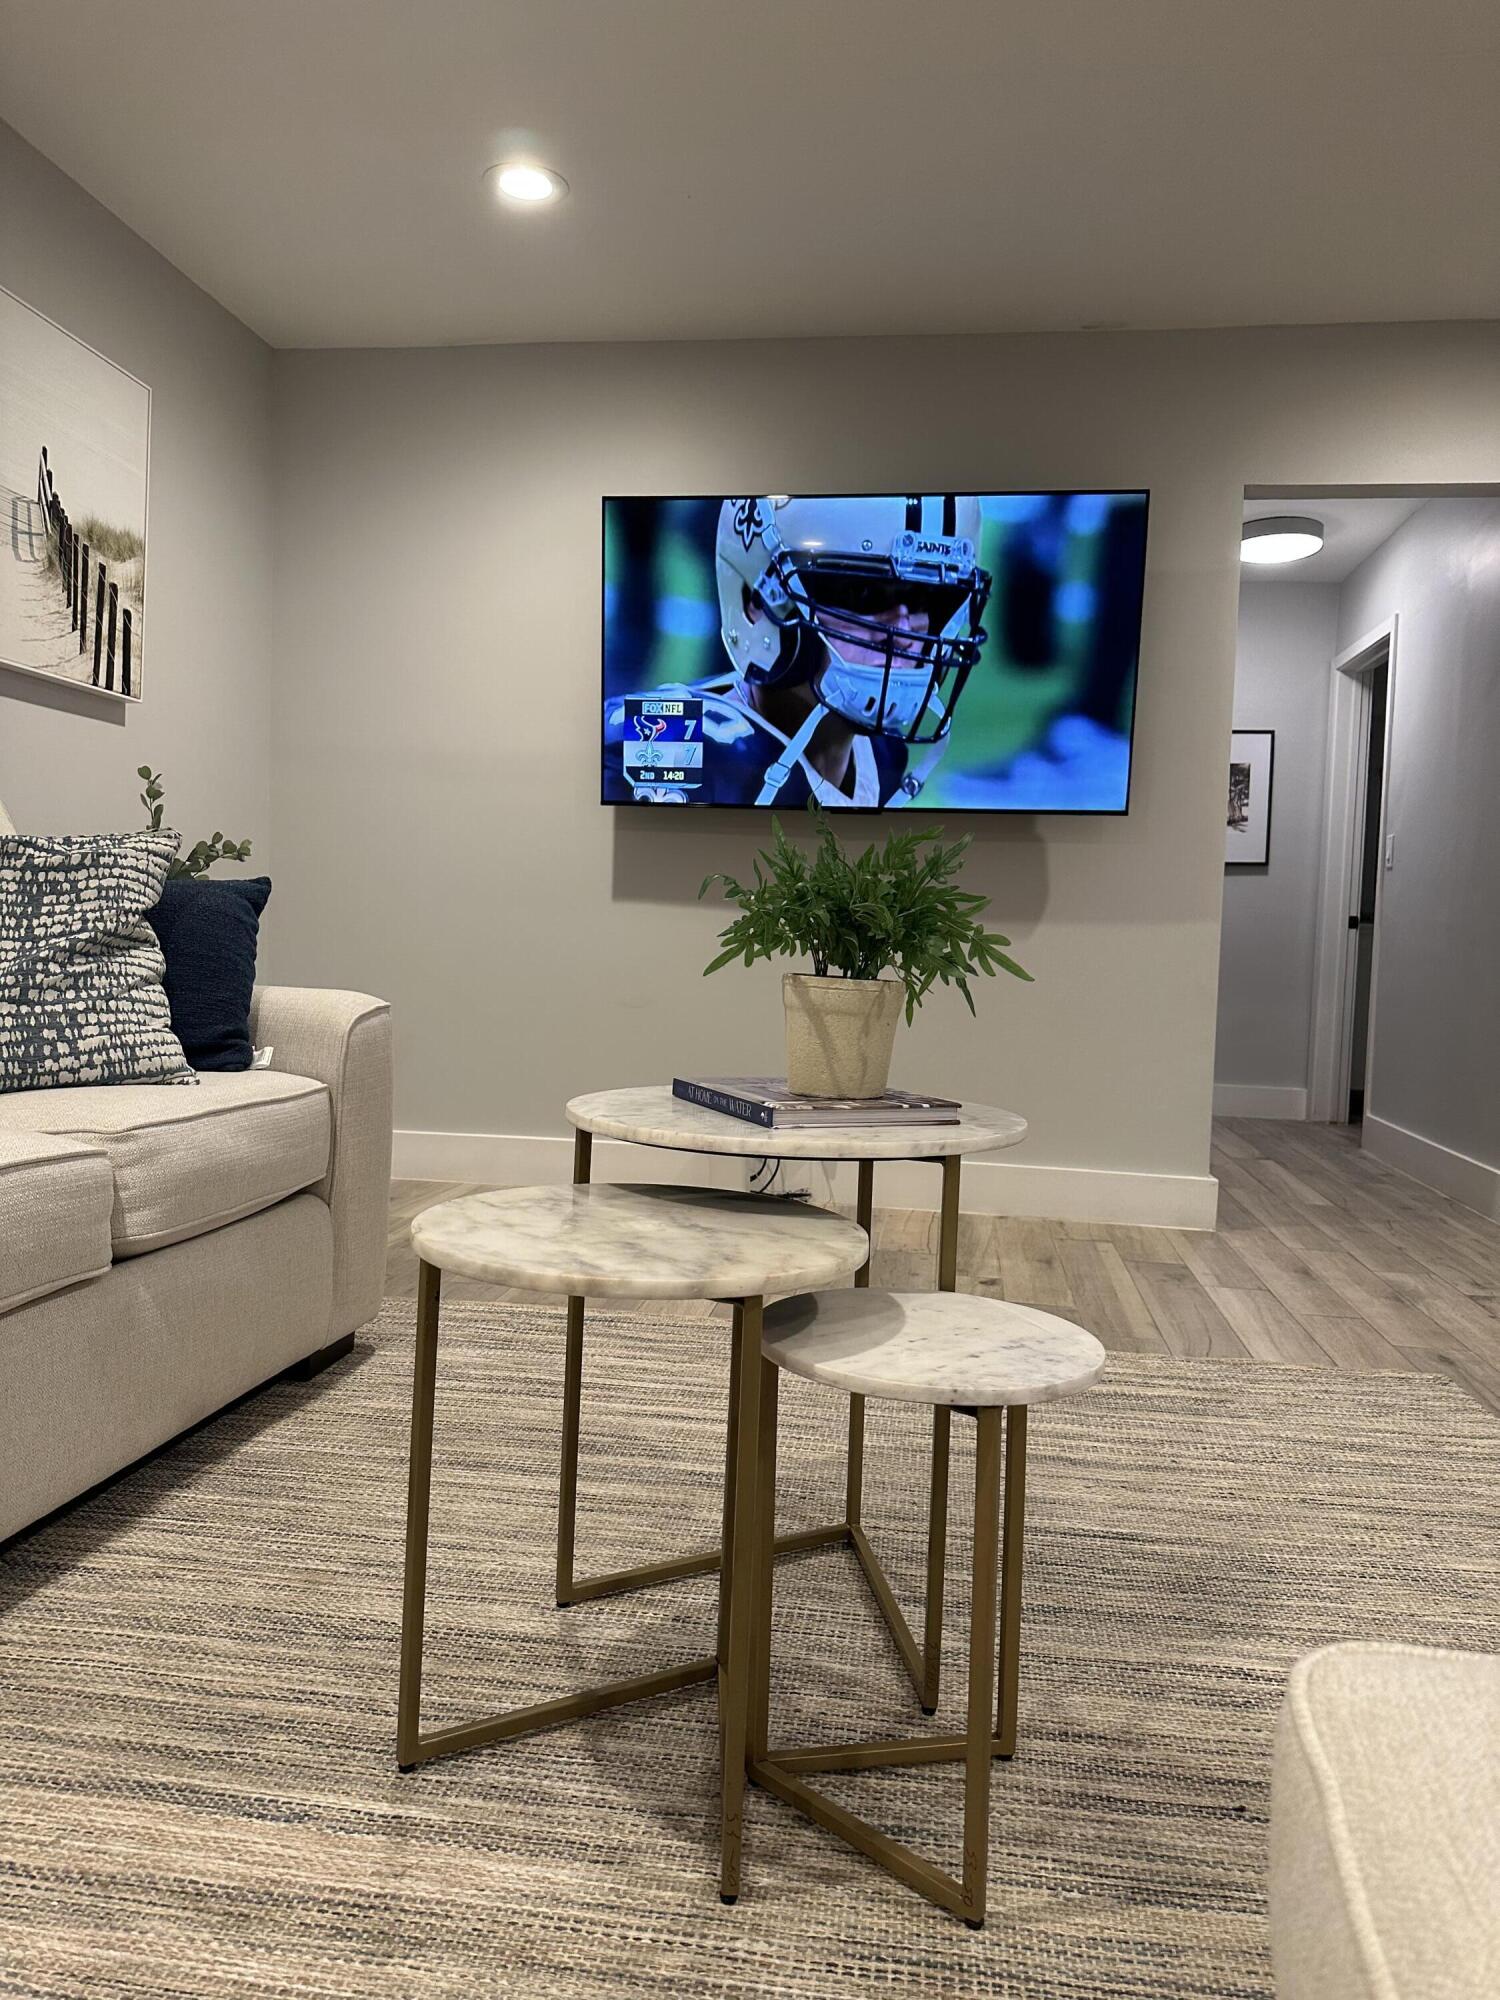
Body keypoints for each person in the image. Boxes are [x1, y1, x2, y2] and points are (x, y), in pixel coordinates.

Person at [604, 494, 992, 807]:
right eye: (865, 594)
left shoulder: (883, 756)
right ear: (758, 602)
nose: (905, 633)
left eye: (927, 600)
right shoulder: (663, 741)